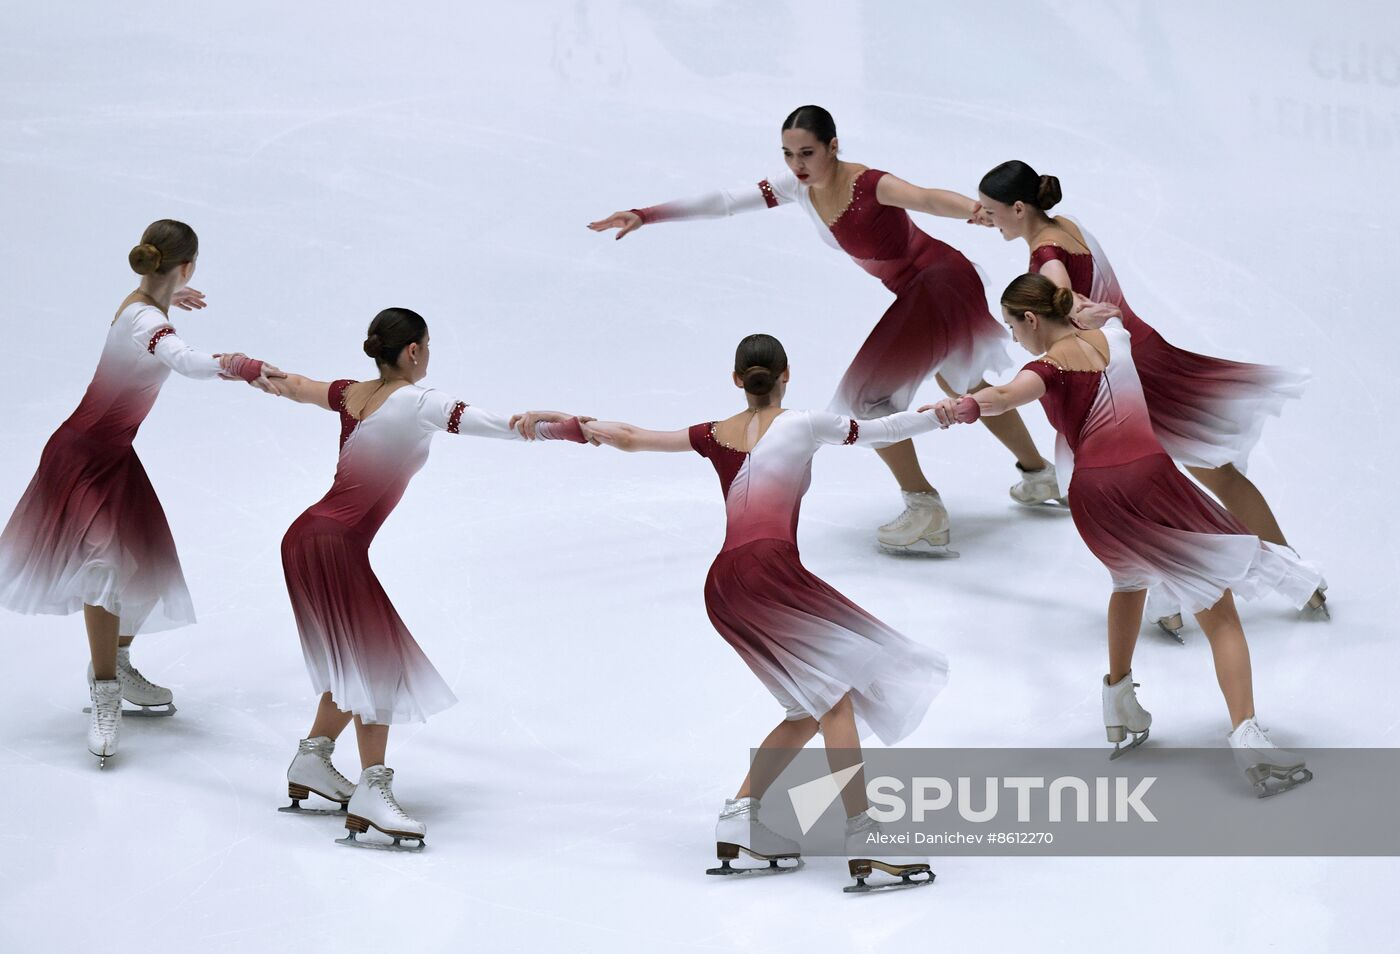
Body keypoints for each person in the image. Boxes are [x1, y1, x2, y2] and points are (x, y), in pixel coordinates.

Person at [589, 105, 1060, 555]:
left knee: (866, 401)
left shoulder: (869, 183)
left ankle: (924, 507)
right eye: (788, 154)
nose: (797, 164)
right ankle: (1039, 475)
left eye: (807, 153)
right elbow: (726, 202)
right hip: (934, 286)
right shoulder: (797, 188)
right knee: (965, 383)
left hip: (939, 284)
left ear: (832, 146)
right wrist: (647, 214)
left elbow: (925, 197)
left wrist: (971, 211)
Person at [583, 333, 946, 890]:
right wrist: (948, 414)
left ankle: (739, 820)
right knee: (838, 700)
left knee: (806, 710)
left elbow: (631, 438)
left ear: (737, 379)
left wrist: (575, 426)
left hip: (724, 584)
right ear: (786, 374)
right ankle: (865, 841)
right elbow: (886, 430)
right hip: (769, 574)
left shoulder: (713, 434)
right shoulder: (803, 424)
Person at [931, 275, 1318, 796]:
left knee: (1128, 582)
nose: (1013, 337)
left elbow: (1002, 396)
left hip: (1097, 499)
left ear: (1030, 319)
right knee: (1219, 614)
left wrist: (963, 407)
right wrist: (1090, 316)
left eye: (1011, 325)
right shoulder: (1115, 341)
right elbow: (1109, 315)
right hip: (1152, 484)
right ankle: (1247, 737)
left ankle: (1119, 699)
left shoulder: (1043, 369)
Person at [266, 306, 588, 849]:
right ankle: (372, 789)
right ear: (413, 351)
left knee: (356, 663)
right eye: (428, 346)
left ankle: (312, 760)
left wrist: (247, 369)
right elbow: (506, 427)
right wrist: (571, 428)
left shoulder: (352, 394)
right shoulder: (421, 402)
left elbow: (294, 384)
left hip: (304, 540)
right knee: (375, 666)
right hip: (336, 545)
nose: (430, 354)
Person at [974, 160, 1326, 636]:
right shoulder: (1066, 226)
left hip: (1122, 379)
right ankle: (1276, 580)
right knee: (1201, 473)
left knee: (1110, 487)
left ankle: (1204, 591)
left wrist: (1078, 316)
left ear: (1018, 208)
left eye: (993, 212)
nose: (987, 219)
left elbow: (1059, 305)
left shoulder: (1047, 255)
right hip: (1140, 356)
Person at [0, 219, 277, 767]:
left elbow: (150, 315)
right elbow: (183, 360)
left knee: (147, 568)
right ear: (187, 264)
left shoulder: (143, 300)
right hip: (79, 460)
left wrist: (173, 293)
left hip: (113, 458)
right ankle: (104, 691)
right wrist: (241, 366)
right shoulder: (146, 321)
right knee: (102, 572)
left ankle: (118, 663)